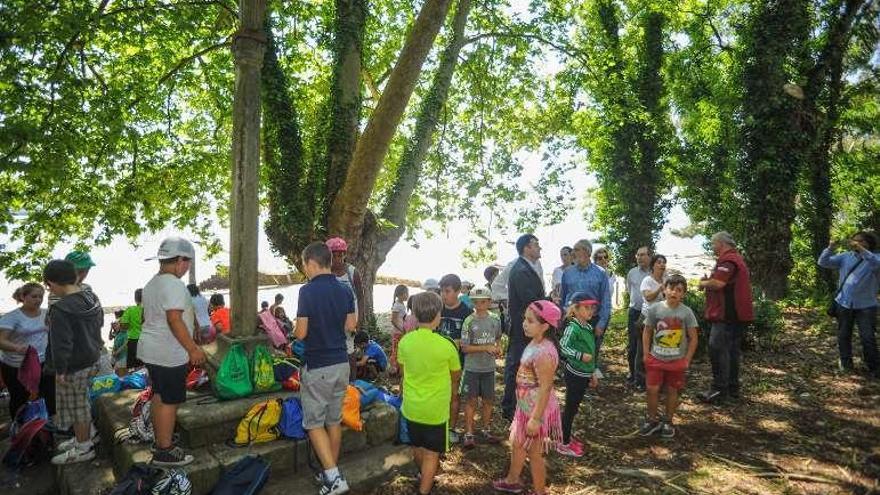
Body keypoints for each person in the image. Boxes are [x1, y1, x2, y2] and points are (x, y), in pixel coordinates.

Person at [295, 241, 357, 495]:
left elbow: (301, 333)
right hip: (341, 362)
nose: (304, 270)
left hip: (318, 364)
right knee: (333, 420)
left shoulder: (307, 291)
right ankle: (331, 471)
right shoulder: (344, 289)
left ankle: (333, 478)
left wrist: (293, 332)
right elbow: (352, 325)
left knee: (313, 423)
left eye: (304, 265)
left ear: (311, 262)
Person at [139, 237, 205, 466]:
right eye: (187, 262)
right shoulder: (174, 284)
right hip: (168, 352)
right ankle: (164, 450)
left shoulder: (153, 283)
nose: (187, 268)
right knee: (170, 400)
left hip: (151, 349)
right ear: (180, 261)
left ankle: (161, 440)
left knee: (160, 395)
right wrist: (192, 349)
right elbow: (174, 319)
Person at [493, 301, 562, 495]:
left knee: (534, 452)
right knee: (516, 441)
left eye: (530, 321)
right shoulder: (534, 342)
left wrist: (536, 418)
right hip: (526, 406)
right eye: (524, 318)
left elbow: (546, 387)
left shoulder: (544, 353)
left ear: (545, 326)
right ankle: (513, 480)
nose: (524, 323)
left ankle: (540, 491)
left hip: (535, 410)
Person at [397, 292, 461, 495]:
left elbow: (402, 371)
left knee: (416, 446)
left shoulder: (405, 342)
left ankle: (423, 473)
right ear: (438, 316)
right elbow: (456, 375)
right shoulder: (447, 345)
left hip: (411, 407)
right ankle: (424, 489)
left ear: (414, 314)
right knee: (432, 453)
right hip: (435, 410)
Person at [43, 259, 103, 465]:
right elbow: (100, 324)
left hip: (72, 367)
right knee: (82, 401)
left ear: (52, 283)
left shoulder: (60, 309)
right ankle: (85, 436)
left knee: (78, 408)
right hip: (92, 358)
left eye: (48, 286)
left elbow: (62, 344)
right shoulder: (91, 297)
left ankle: (84, 447)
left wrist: (59, 371)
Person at [697, 232, 754, 404]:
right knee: (731, 352)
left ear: (721, 243)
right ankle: (732, 390)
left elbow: (719, 283)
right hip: (737, 315)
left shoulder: (728, 260)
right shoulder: (737, 259)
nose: (712, 247)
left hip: (727, 315)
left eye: (713, 244)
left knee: (717, 349)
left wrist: (703, 283)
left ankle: (719, 391)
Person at [640, 275, 699, 438]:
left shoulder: (686, 312)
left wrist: (686, 359)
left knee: (672, 390)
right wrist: (646, 354)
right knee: (652, 389)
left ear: (683, 294)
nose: (674, 292)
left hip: (676, 362)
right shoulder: (655, 309)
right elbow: (647, 332)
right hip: (655, 359)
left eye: (679, 290)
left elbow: (693, 338)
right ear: (664, 290)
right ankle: (652, 420)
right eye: (671, 288)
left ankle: (668, 421)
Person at [818, 231, 880, 377]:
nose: (856, 243)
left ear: (868, 243)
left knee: (868, 337)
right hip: (844, 303)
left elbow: (875, 263)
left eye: (860, 241)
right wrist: (831, 248)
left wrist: (862, 250)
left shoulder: (875, 258)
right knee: (843, 335)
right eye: (854, 240)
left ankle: (874, 368)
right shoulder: (846, 256)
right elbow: (823, 262)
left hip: (866, 306)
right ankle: (846, 365)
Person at [502, 234, 546, 422]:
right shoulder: (521, 270)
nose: (539, 248)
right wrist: (550, 306)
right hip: (523, 330)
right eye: (536, 245)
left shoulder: (528, 268)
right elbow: (531, 302)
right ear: (526, 248)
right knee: (517, 367)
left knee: (524, 367)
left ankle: (519, 405)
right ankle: (510, 407)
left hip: (528, 328)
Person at [0, 283, 55, 419]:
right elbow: (1, 341)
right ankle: (19, 429)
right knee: (19, 398)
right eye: (34, 296)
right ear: (23, 297)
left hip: (42, 363)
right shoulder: (12, 317)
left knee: (49, 395)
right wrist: (17, 348)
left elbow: (53, 333)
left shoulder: (45, 314)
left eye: (41, 297)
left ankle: (46, 430)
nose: (38, 300)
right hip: (16, 366)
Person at [459, 287, 502, 449]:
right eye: (476, 302)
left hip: (489, 368)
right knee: (471, 400)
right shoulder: (469, 321)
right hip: (472, 368)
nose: (480, 305)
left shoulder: (495, 319)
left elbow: (498, 339)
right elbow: (464, 348)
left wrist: (498, 348)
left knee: (488, 400)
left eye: (483, 301)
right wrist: (485, 348)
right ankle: (469, 433)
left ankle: (486, 429)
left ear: (490, 302)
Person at [557, 293, 599, 457]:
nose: (590, 311)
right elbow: (562, 347)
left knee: (573, 408)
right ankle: (563, 442)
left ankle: (564, 435)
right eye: (586, 307)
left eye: (592, 308)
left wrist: (592, 372)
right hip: (574, 373)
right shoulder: (573, 327)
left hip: (583, 373)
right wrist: (579, 356)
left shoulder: (587, 327)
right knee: (570, 407)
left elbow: (592, 352)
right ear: (575, 309)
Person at [559, 239, 612, 355]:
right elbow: (562, 299)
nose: (573, 253)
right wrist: (562, 320)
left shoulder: (601, 273)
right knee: (572, 355)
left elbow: (606, 301)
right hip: (572, 320)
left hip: (592, 321)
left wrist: (601, 324)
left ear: (587, 252)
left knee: (591, 355)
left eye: (577, 250)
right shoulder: (567, 273)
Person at [438, 273, 474, 443]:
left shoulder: (467, 313)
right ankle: (438, 425)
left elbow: (470, 339)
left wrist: (461, 342)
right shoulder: (437, 309)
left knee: (454, 395)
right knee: (438, 393)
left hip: (457, 362)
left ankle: (450, 428)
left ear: (458, 291)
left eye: (447, 291)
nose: (444, 295)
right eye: (442, 291)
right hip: (437, 362)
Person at [326, 237, 364, 382]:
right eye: (334, 255)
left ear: (345, 254)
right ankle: (335, 380)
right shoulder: (325, 273)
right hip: (331, 316)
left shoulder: (352, 272)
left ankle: (351, 383)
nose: (338, 258)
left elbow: (360, 297)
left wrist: (360, 320)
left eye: (341, 255)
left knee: (349, 348)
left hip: (350, 316)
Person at [625, 247, 651, 389]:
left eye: (643, 255)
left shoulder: (655, 273)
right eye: (638, 255)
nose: (640, 258)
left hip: (651, 314)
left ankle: (646, 376)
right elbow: (629, 290)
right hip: (635, 312)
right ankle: (633, 373)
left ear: (649, 256)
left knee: (646, 346)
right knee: (633, 345)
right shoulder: (632, 273)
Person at [119, 289, 144, 371]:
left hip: (133, 341)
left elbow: (123, 326)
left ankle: (135, 382)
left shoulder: (130, 310)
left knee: (133, 368)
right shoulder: (150, 310)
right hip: (147, 341)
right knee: (145, 366)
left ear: (135, 299)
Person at [389, 284, 409, 376]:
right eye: (406, 293)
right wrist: (401, 329)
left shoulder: (401, 304)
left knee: (400, 350)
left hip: (401, 331)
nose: (407, 295)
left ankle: (398, 368)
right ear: (400, 294)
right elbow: (393, 320)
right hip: (398, 332)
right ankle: (394, 369)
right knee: (396, 350)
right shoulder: (397, 305)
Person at [110, 310, 127, 377]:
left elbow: (125, 345)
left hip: (123, 357)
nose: (115, 326)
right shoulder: (118, 334)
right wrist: (114, 351)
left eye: (117, 324)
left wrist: (116, 352)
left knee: (121, 376)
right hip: (117, 357)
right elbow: (114, 342)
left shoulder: (126, 334)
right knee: (117, 375)